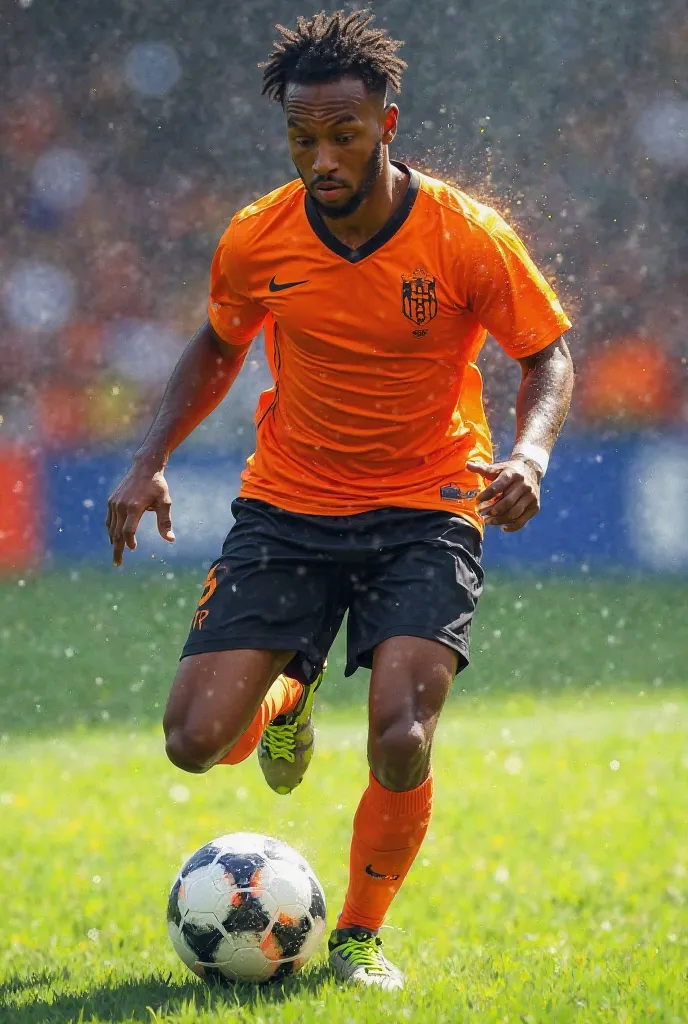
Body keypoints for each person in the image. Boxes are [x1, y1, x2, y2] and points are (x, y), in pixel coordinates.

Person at [106, 9, 574, 990]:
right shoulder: (258, 236)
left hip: (426, 502)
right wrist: (147, 458)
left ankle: (358, 934)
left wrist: (528, 449)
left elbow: (546, 355)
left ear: (387, 126)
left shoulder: (461, 235)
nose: (321, 156)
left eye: (343, 135)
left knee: (402, 731)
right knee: (196, 743)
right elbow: (218, 341)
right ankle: (290, 689)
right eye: (301, 139)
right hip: (288, 503)